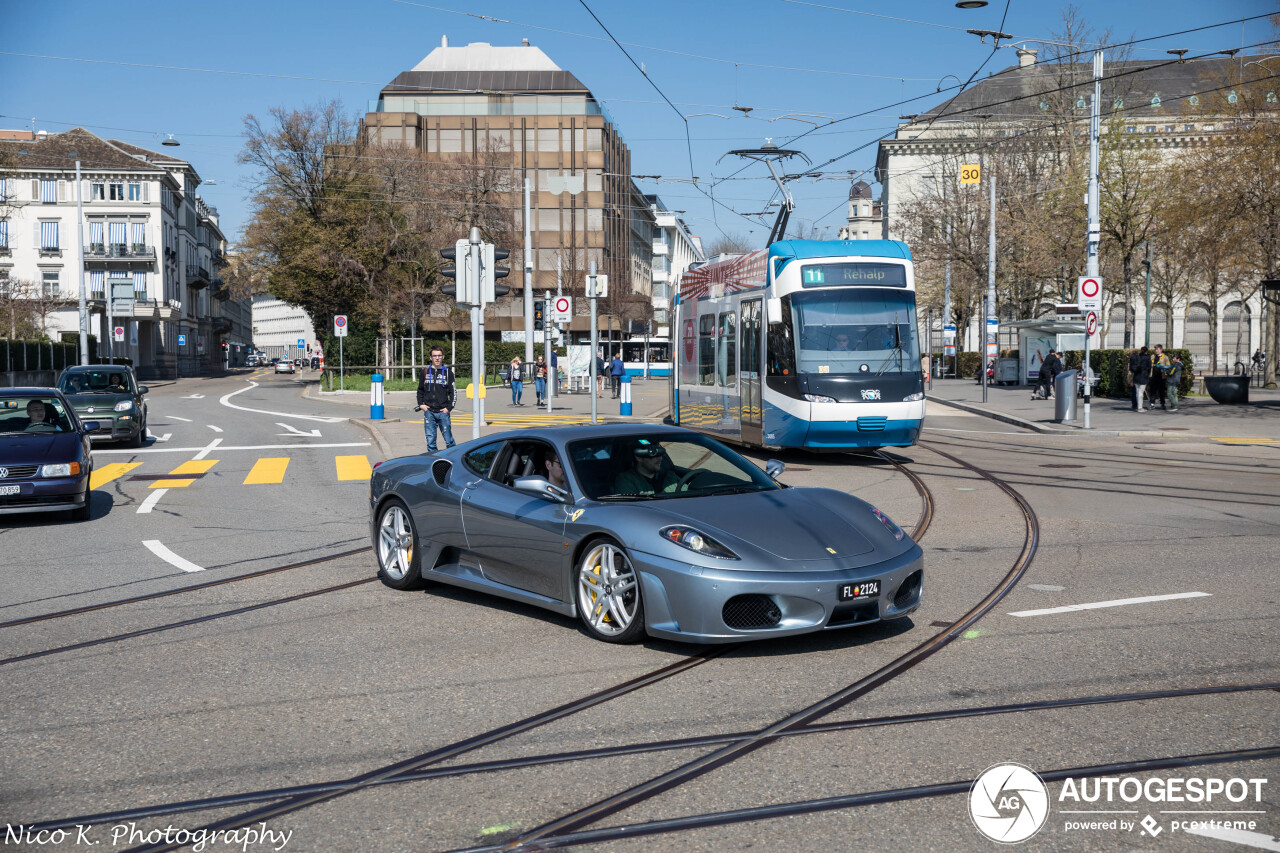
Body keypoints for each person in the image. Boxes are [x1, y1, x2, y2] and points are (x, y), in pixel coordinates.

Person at [414, 346, 456, 453]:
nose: (437, 358)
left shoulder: (448, 373)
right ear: (430, 357)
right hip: (429, 412)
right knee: (430, 441)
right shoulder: (425, 372)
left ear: (443, 357)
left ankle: (453, 459)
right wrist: (421, 404)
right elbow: (420, 390)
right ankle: (433, 461)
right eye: (434, 356)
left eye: (439, 356)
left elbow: (453, 392)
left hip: (443, 412)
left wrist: (449, 408)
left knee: (449, 440)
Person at [614, 442, 682, 495]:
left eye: (660, 453)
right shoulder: (626, 480)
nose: (660, 458)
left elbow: (688, 493)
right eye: (654, 454)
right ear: (639, 457)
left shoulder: (670, 476)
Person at [1149, 344, 1171, 410]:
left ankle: (1162, 404)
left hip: (1161, 377)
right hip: (1153, 376)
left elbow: (1168, 366)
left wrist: (1162, 367)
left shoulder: (1165, 357)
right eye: (1155, 349)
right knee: (1153, 391)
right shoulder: (1152, 356)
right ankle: (1152, 404)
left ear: (1161, 350)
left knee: (1161, 391)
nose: (1156, 351)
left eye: (1158, 349)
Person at [1131, 346, 1152, 412]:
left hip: (1136, 376)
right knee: (1141, 392)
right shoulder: (1147, 358)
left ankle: (1138, 406)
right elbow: (1149, 368)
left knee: (1137, 392)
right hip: (1144, 376)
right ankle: (1140, 408)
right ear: (1147, 351)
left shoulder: (1136, 357)